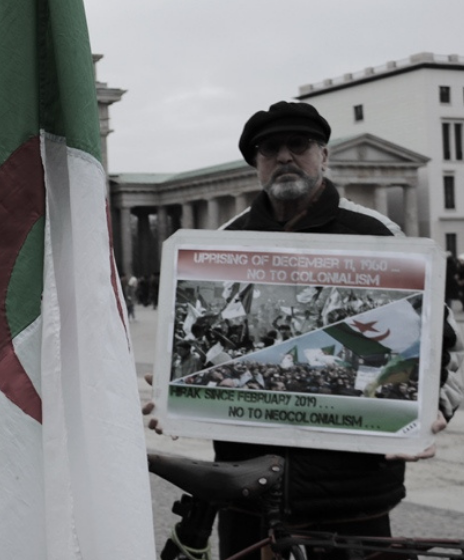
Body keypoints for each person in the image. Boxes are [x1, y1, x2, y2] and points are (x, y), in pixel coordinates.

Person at [147, 101, 464, 559]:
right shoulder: (223, 243)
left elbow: (443, 347)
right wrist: (180, 386)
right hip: (249, 490)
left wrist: (431, 408)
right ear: (256, 164)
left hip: (352, 494)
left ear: (324, 155)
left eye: (299, 144)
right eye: (269, 148)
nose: (284, 157)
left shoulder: (378, 234)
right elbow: (203, 340)